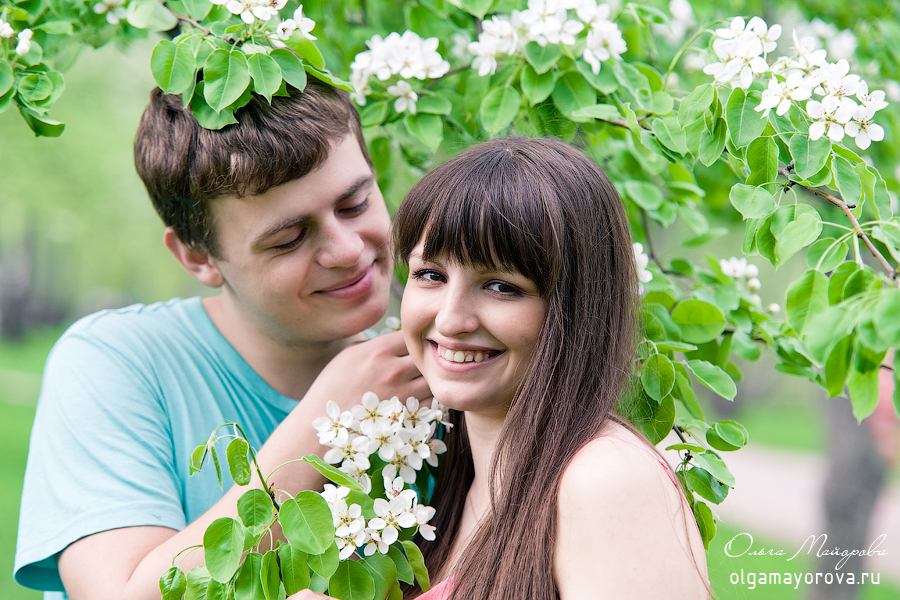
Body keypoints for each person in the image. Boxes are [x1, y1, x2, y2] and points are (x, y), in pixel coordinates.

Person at [14, 80, 428, 600]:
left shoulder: (431, 381)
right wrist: (331, 415)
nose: (346, 250)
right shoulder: (117, 360)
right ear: (198, 258)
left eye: (354, 204)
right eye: (289, 238)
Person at [391, 136, 709, 599]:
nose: (449, 319)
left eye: (500, 286)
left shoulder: (605, 481)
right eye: (430, 275)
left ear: (575, 310)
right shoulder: (443, 473)